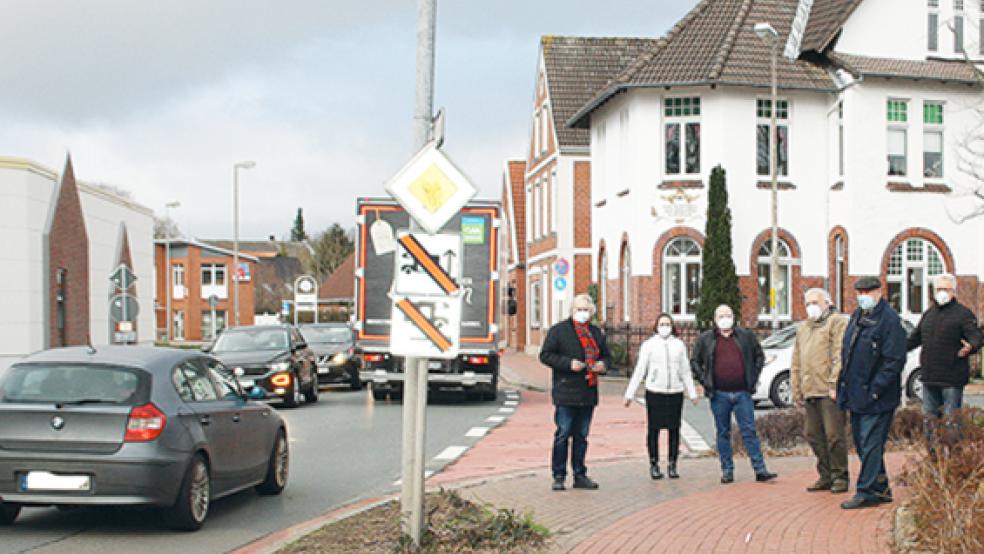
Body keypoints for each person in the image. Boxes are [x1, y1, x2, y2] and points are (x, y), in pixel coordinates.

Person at [837, 276, 906, 509]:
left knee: (870, 443)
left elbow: (894, 360)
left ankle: (866, 491)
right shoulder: (859, 316)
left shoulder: (889, 320)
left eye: (867, 291)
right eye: (860, 292)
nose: (862, 296)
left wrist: (876, 389)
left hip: (878, 397)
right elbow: (848, 352)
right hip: (856, 393)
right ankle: (881, 488)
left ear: (879, 292)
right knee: (863, 442)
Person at [691, 304, 777, 484]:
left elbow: (758, 356)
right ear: (715, 319)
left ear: (734, 317)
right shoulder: (706, 339)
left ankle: (760, 469)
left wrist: (752, 378)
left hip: (742, 393)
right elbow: (695, 362)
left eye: (728, 315)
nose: (725, 318)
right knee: (723, 432)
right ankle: (727, 470)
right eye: (721, 315)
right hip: (719, 394)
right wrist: (705, 381)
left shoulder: (745, 336)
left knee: (749, 431)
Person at [539, 293, 611, 491]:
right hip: (565, 390)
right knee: (563, 434)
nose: (582, 313)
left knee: (581, 435)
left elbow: (606, 356)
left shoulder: (596, 333)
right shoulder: (559, 331)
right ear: (572, 311)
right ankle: (559, 475)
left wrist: (602, 365)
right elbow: (545, 355)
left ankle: (580, 474)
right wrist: (568, 364)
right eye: (579, 309)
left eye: (586, 310)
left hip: (587, 392)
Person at [906, 273, 983, 447]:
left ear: (953, 292)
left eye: (946, 289)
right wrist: (895, 349)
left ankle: (953, 461)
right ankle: (934, 459)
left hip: (951, 379)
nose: (942, 293)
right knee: (930, 423)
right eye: (939, 289)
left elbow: (976, 336)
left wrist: (971, 346)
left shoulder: (963, 314)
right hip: (929, 377)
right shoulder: (929, 315)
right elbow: (914, 339)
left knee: (951, 424)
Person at [623, 313, 699, 480]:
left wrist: (692, 392)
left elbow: (685, 370)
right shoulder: (649, 345)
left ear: (672, 327)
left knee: (674, 429)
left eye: (667, 324)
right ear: (656, 326)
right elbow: (640, 370)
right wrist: (630, 393)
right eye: (661, 324)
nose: (664, 327)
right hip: (655, 391)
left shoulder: (679, 345)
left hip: (675, 392)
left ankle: (672, 463)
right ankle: (654, 463)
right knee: (654, 429)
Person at [791, 288, 850, 494]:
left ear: (827, 302)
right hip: (810, 389)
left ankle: (840, 476)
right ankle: (825, 474)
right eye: (807, 303)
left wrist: (834, 383)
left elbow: (838, 355)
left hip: (827, 390)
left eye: (815, 302)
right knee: (813, 434)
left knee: (834, 435)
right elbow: (797, 359)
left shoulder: (837, 322)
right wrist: (796, 387)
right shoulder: (804, 328)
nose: (811, 307)